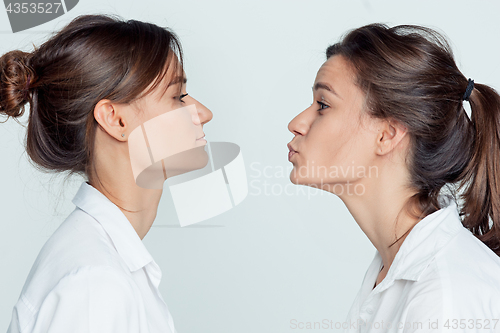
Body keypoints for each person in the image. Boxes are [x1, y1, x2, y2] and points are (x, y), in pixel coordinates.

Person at [1, 14, 212, 333]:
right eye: (177, 96)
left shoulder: (102, 266)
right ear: (115, 119)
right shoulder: (95, 285)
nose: (204, 114)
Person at [287, 23, 500, 332]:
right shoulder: (392, 268)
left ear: (387, 135)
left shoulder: (445, 298)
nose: (296, 123)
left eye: (323, 105)